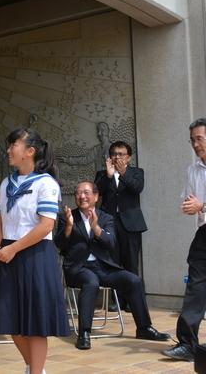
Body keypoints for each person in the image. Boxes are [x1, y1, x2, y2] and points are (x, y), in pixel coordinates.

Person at [0, 127, 68, 374]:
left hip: (36, 255)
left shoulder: (46, 183)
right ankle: (34, 368)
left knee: (35, 324)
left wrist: (13, 249)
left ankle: (35, 371)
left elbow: (46, 226)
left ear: (30, 151)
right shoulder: (5, 183)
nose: (9, 150)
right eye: (9, 145)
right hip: (10, 253)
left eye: (14, 145)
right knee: (11, 320)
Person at [54, 181, 170, 350]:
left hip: (104, 268)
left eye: (86, 193)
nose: (81, 196)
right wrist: (69, 227)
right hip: (79, 268)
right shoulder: (68, 216)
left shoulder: (106, 217)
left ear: (96, 196)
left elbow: (111, 243)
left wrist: (96, 228)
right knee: (91, 282)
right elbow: (60, 244)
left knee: (134, 280)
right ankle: (84, 332)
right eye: (78, 193)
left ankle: (144, 328)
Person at [162, 118, 206, 362]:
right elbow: (191, 201)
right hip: (204, 233)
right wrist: (192, 207)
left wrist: (202, 205)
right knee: (195, 287)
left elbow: (201, 204)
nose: (195, 144)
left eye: (199, 138)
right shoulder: (192, 170)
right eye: (192, 140)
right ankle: (188, 344)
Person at [94, 141, 146, 310]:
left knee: (131, 263)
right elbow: (97, 192)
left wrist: (122, 173)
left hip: (131, 224)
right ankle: (117, 301)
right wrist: (109, 176)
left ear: (128, 157)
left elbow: (137, 188)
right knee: (113, 263)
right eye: (114, 154)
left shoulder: (136, 172)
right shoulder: (102, 174)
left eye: (121, 154)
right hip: (109, 223)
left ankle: (132, 302)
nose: (117, 157)